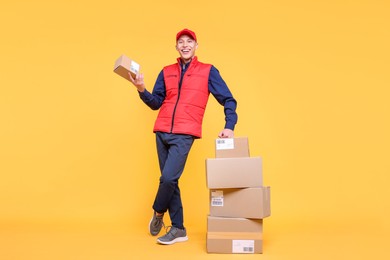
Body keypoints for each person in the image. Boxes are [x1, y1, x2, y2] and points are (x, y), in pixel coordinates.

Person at [128, 28, 238, 245]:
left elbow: (229, 99)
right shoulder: (166, 71)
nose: (185, 45)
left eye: (190, 41)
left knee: (167, 178)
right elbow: (156, 103)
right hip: (161, 131)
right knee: (172, 182)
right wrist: (142, 90)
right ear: (176, 47)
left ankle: (158, 212)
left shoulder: (208, 71)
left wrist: (229, 126)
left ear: (197, 46)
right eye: (181, 42)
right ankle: (178, 228)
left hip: (184, 133)